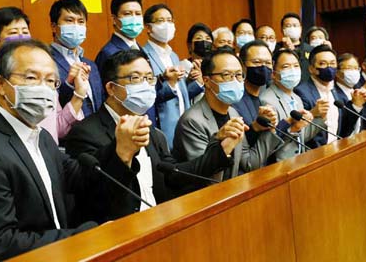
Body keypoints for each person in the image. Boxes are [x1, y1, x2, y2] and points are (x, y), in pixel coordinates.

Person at [0, 40, 147, 260]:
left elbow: (81, 178)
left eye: (51, 81)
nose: (43, 88)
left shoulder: (40, 137)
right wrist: (87, 236)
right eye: (32, 78)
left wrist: (121, 150)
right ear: (0, 84)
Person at [63, 50, 238, 217]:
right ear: (111, 88)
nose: (145, 85)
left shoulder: (152, 132)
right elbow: (94, 198)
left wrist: (220, 150)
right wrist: (121, 152)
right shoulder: (85, 133)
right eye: (135, 78)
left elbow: (174, 175)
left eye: (149, 78)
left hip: (159, 224)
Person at [0, 6, 87, 144]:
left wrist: (79, 94)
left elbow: (58, 128)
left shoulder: (45, 78)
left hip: (45, 156)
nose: (21, 38)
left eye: (25, 32)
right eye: (14, 32)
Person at [174, 48, 281, 177]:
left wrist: (270, 129)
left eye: (238, 75)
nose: (235, 81)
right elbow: (205, 176)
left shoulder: (233, 113)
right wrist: (223, 146)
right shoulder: (192, 121)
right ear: (207, 81)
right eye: (226, 75)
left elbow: (249, 163)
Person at [142, 4, 203, 147]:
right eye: (160, 21)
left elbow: (181, 94)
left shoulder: (173, 55)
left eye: (169, 20)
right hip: (163, 129)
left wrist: (199, 82)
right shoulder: (144, 56)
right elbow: (148, 96)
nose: (166, 25)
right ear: (149, 28)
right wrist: (169, 83)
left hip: (184, 127)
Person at [259, 49, 321, 161]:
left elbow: (301, 135)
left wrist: (320, 117)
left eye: (296, 66)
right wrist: (292, 129)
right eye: (286, 66)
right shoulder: (267, 100)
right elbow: (268, 145)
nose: (293, 70)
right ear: (273, 74)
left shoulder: (296, 97)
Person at [294, 45, 361, 147]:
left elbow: (343, 127)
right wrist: (313, 114)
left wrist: (356, 106)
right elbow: (299, 131)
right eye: (323, 63)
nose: (329, 67)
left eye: (332, 63)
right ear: (312, 69)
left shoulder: (335, 91)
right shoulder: (302, 92)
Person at [49, 0, 103, 118]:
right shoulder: (45, 60)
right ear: (54, 26)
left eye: (81, 21)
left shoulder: (91, 65)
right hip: (67, 133)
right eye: (69, 20)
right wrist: (68, 84)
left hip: (95, 133)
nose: (76, 26)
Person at [231, 40, 279, 149]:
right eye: (256, 62)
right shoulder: (234, 100)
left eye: (268, 63)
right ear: (242, 66)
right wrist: (256, 127)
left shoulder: (268, 96)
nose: (263, 67)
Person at [95, 0, 145, 73]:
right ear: (114, 19)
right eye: (128, 14)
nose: (134, 18)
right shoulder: (108, 53)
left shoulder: (139, 48)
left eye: (138, 14)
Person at [334, 53, 366, 135]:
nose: (354, 72)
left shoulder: (358, 91)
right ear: (337, 73)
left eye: (356, 68)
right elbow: (342, 127)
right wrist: (356, 106)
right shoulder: (334, 95)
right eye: (349, 68)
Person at [276, 12, 312, 81]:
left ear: (300, 28)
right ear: (282, 29)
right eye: (288, 26)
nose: (292, 28)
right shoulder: (276, 48)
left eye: (295, 25)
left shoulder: (310, 49)